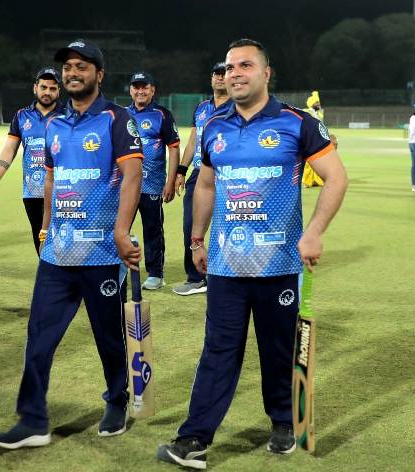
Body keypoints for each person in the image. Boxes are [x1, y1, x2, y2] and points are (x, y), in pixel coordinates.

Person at [156, 38, 348, 469]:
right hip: (225, 263)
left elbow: (336, 179)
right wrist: (196, 240)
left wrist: (314, 232)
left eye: (245, 65)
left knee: (278, 349)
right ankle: (194, 439)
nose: (235, 73)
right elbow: (205, 185)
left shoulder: (298, 123)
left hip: (279, 264)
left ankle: (283, 421)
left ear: (266, 73)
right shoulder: (214, 126)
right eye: (229, 67)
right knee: (218, 350)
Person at [0, 39, 144, 449]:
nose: (73, 73)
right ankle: (33, 420)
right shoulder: (53, 124)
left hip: (102, 253)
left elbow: (132, 176)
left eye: (82, 67)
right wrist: (44, 227)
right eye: (68, 67)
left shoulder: (116, 118)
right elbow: (51, 181)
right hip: (58, 252)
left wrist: (122, 230)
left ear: (99, 75)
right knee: (39, 337)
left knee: (108, 337)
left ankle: (117, 400)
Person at [0, 67, 62, 254]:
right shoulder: (21, 116)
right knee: (40, 236)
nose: (47, 92)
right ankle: (48, 277)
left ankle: (64, 277)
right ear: (35, 88)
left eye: (52, 88)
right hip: (32, 190)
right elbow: (9, 149)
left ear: (59, 91)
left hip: (62, 189)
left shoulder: (68, 115)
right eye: (43, 87)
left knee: (63, 236)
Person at [173, 63, 231, 296]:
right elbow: (193, 141)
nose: (219, 78)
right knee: (191, 224)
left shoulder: (237, 107)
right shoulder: (201, 108)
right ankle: (196, 277)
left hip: (226, 172)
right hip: (199, 172)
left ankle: (223, 274)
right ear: (211, 79)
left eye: (223, 73)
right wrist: (181, 170)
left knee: (226, 224)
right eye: (216, 73)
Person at [126, 71, 180, 290]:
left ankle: (155, 274)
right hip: (125, 185)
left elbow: (174, 149)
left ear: (152, 90)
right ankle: (117, 268)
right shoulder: (121, 115)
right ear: (130, 90)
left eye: (145, 87)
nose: (140, 91)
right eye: (136, 87)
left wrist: (169, 181)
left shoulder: (162, 114)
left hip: (152, 184)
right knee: (120, 227)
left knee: (153, 229)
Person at [302, 91, 325, 187]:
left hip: (318, 140)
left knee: (318, 161)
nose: (319, 104)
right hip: (308, 139)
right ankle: (308, 181)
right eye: (317, 102)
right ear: (312, 103)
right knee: (309, 163)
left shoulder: (319, 114)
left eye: (319, 102)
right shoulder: (306, 112)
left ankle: (316, 180)